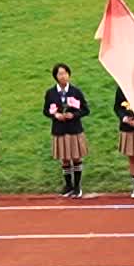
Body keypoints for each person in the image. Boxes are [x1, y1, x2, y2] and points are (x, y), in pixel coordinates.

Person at [44, 63, 89, 198]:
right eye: (60, 74)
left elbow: (86, 110)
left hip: (74, 128)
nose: (63, 76)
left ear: (69, 75)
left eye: (65, 73)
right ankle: (68, 186)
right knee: (64, 159)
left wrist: (73, 115)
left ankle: (77, 186)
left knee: (76, 157)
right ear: (55, 77)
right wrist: (55, 115)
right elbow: (46, 110)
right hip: (59, 129)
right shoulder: (50, 93)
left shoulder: (76, 92)